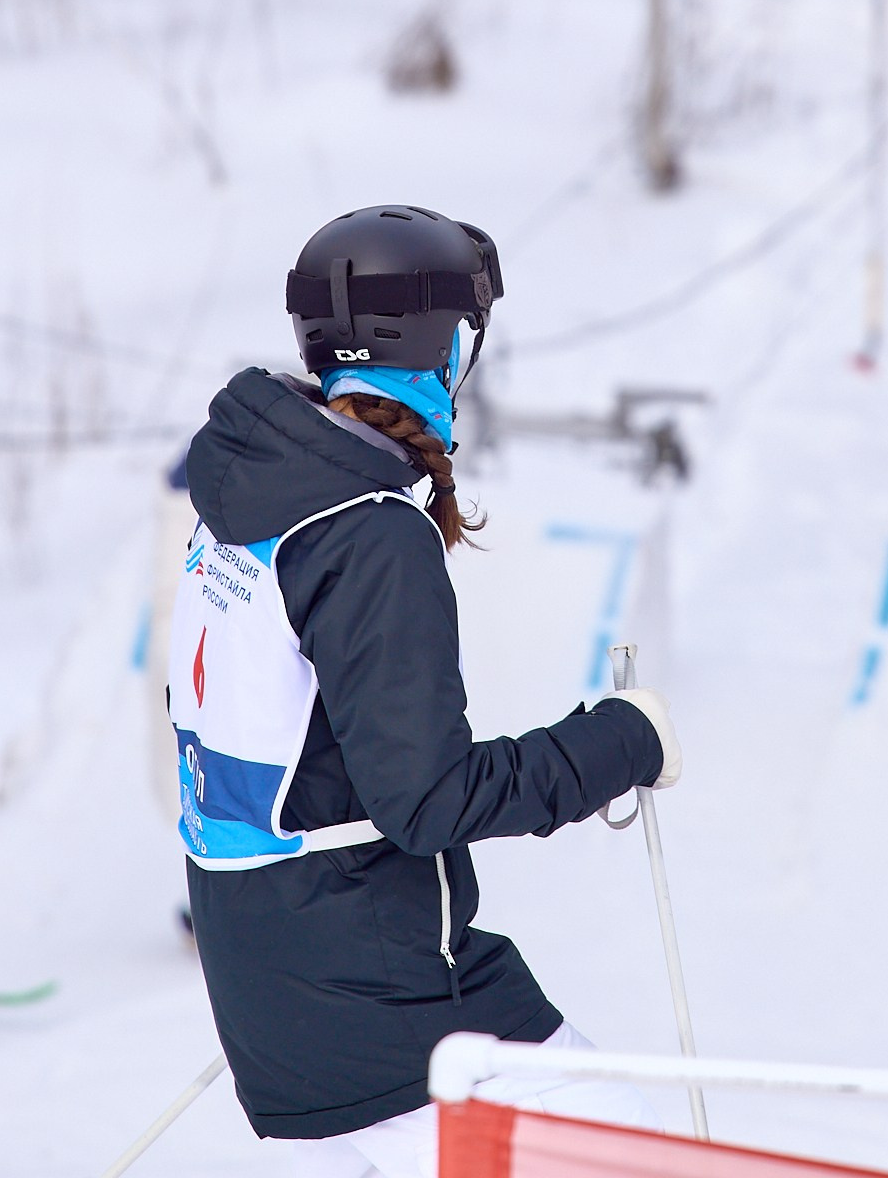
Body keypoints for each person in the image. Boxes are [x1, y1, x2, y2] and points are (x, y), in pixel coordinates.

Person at [170, 204, 682, 1175]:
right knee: (623, 1150)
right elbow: (427, 797)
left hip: (280, 982)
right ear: (436, 349)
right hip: (377, 1004)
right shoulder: (367, 530)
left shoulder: (244, 505)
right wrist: (622, 742)